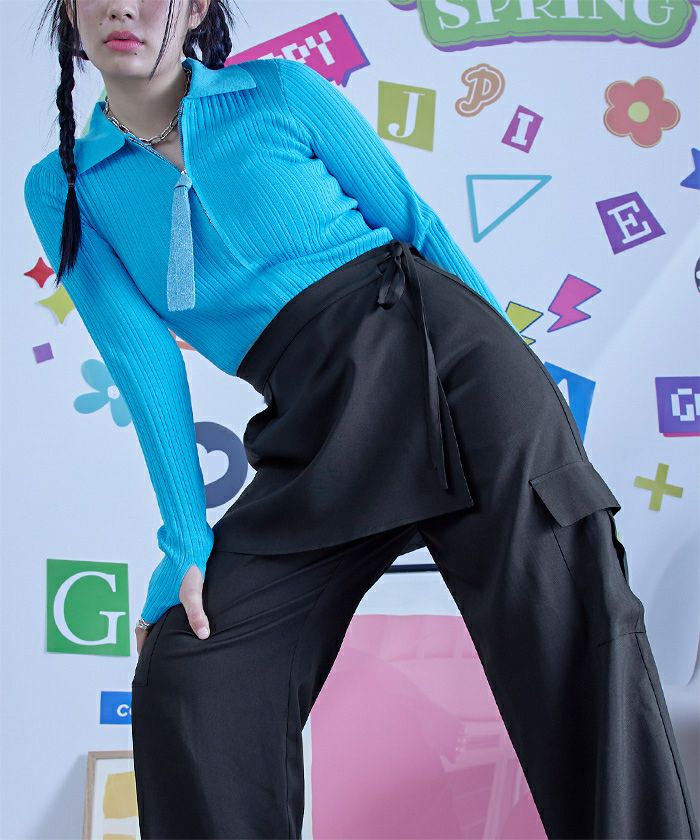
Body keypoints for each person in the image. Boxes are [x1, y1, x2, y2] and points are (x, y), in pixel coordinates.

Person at [24, 2, 699, 839]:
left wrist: (525, 384)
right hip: (316, 427)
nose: (122, 7)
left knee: (575, 638)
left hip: (457, 372)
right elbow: (144, 361)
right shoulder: (65, 184)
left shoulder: (279, 92)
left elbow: (417, 226)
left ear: (194, 8)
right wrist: (186, 541)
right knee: (196, 669)